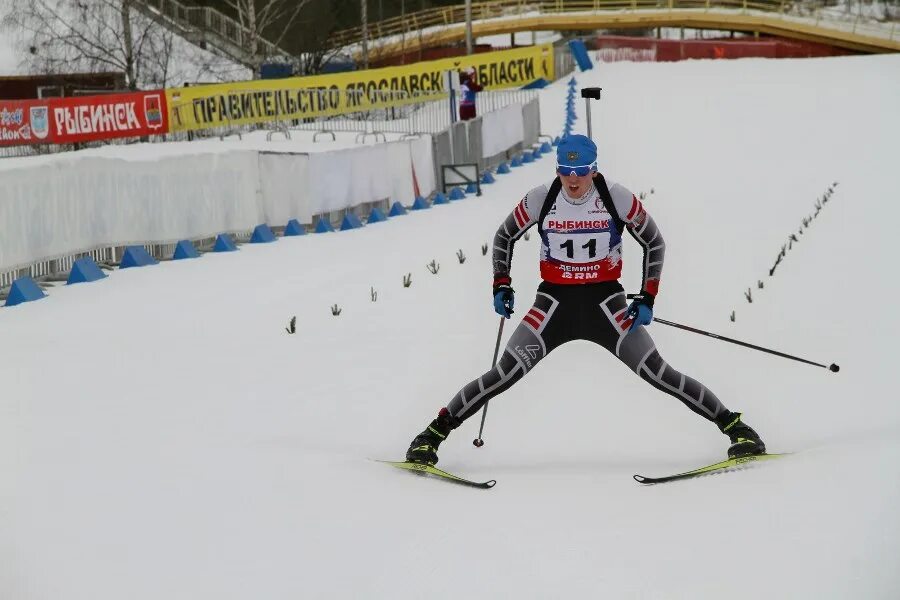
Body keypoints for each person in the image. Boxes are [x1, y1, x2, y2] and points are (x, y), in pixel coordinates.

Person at [405, 134, 766, 465]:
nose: (573, 180)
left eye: (581, 172)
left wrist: (647, 297)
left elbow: (654, 241)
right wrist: (501, 283)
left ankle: (736, 428)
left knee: (657, 372)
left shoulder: (615, 197)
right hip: (554, 304)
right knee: (504, 374)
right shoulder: (541, 197)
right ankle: (430, 436)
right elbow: (504, 236)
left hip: (605, 304)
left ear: (594, 170)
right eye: (566, 171)